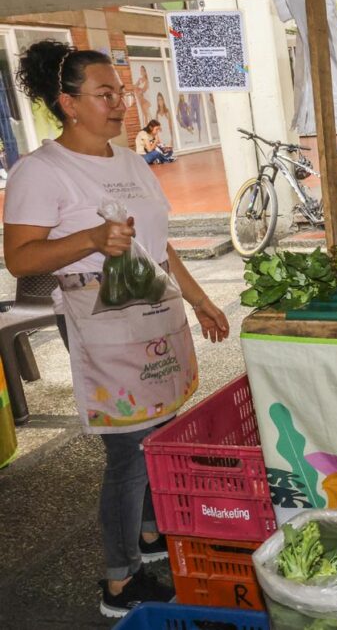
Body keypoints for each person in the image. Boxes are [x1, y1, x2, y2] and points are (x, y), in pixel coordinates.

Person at [4, 40, 230, 618]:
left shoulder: (128, 159)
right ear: (68, 103)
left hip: (156, 311)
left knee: (161, 436)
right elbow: (20, 259)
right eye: (106, 94)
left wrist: (201, 300)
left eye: (121, 92)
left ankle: (151, 540)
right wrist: (87, 240)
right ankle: (118, 583)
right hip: (100, 318)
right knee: (129, 451)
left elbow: (157, 247)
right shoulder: (42, 169)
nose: (120, 103)